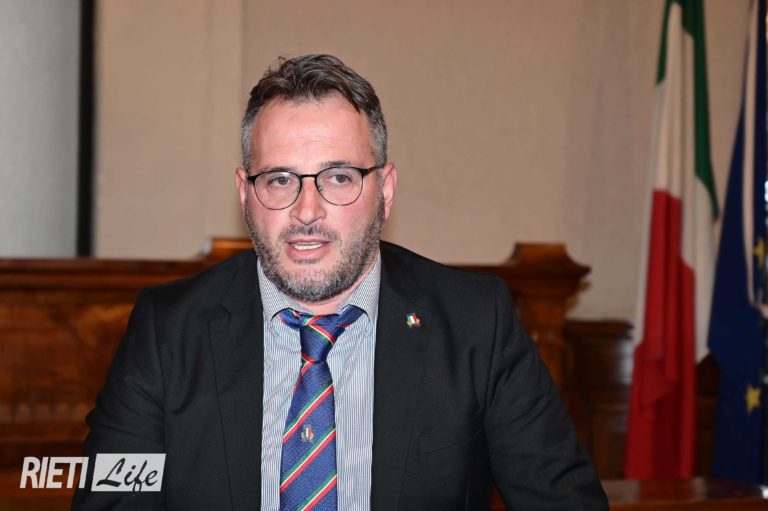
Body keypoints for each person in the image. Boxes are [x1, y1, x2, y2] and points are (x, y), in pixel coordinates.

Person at [73, 54, 607, 510]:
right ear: (245, 193)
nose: (307, 211)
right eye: (279, 179)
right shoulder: (167, 331)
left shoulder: (474, 325)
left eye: (338, 178)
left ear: (385, 191)